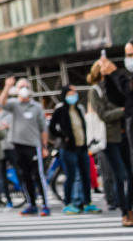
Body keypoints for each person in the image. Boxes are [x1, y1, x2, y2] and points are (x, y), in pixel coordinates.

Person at [90, 60, 133, 226]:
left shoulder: (118, 83)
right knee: (119, 175)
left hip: (125, 135)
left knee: (130, 174)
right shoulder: (96, 90)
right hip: (109, 138)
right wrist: (122, 111)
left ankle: (129, 208)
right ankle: (124, 211)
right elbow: (103, 114)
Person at [0, 76, 50, 216]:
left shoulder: (36, 107)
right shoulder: (13, 104)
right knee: (23, 176)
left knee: (38, 176)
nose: (24, 89)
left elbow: (43, 128)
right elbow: (1, 103)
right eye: (21, 87)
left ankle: (45, 204)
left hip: (34, 145)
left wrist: (44, 146)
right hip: (16, 146)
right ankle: (31, 203)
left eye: (26, 86)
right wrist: (7, 86)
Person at [49, 84, 100, 214]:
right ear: (65, 94)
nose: (74, 95)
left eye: (75, 93)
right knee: (71, 176)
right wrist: (63, 137)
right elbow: (52, 128)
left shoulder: (79, 108)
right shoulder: (60, 110)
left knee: (85, 176)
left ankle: (87, 202)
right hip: (68, 148)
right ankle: (68, 203)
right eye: (71, 93)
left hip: (82, 147)